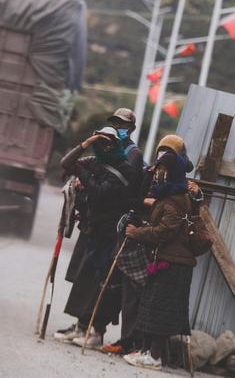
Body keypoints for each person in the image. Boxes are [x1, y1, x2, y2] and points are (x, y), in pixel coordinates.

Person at [53, 127, 138, 350]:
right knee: (84, 279)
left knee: (102, 284)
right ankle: (81, 326)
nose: (105, 146)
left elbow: (99, 192)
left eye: (109, 142)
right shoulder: (95, 161)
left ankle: (96, 331)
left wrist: (83, 175)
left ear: (116, 145)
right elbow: (66, 163)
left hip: (110, 236)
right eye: (101, 142)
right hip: (93, 231)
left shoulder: (124, 169)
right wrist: (86, 143)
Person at [122, 134, 197, 371]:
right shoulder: (166, 192)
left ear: (174, 170)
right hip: (164, 259)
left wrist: (138, 233)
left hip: (175, 263)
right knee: (152, 307)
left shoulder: (176, 197)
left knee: (161, 311)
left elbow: (166, 231)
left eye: (163, 168)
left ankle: (154, 358)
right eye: (158, 167)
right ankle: (147, 352)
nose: (158, 171)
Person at [101, 108, 145, 356]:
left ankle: (127, 341)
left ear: (131, 128)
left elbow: (124, 189)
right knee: (106, 282)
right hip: (105, 224)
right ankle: (95, 327)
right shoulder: (108, 150)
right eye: (115, 122)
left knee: (122, 285)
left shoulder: (133, 154)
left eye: (122, 123)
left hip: (121, 225)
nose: (118, 126)